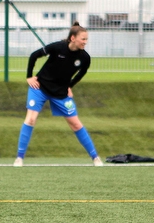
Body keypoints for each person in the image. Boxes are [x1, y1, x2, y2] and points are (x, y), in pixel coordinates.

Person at [14, 23, 103, 167]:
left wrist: (69, 86)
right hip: (40, 88)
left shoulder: (85, 58)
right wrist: (29, 76)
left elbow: (82, 73)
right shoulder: (57, 47)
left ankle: (95, 157)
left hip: (61, 93)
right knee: (30, 119)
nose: (85, 42)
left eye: (87, 39)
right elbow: (34, 55)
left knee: (75, 123)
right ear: (73, 38)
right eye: (83, 39)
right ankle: (19, 158)